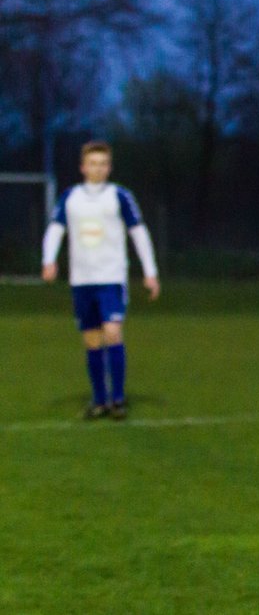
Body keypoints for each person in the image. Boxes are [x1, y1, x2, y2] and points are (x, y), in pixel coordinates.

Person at [40, 140, 160, 420]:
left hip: (111, 277)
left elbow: (139, 233)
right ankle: (99, 400)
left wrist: (150, 271)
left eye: (103, 164)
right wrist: (49, 260)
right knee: (92, 341)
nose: (98, 168)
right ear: (83, 167)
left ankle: (118, 399)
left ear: (109, 167)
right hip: (82, 280)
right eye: (92, 163)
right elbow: (55, 229)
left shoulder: (119, 196)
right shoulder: (70, 197)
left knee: (112, 332)